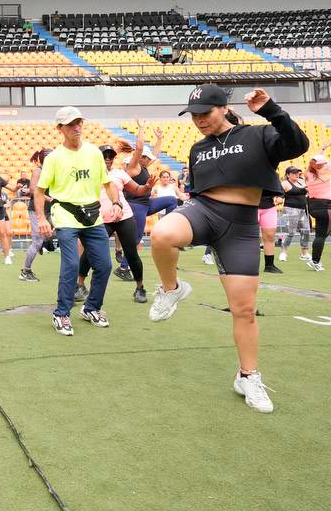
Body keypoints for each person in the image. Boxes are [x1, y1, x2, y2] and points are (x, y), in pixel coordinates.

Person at [146, 85, 309, 414]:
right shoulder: (197, 148)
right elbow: (196, 191)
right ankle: (171, 289)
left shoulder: (257, 135)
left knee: (244, 310)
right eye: (194, 115)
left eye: (205, 113)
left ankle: (248, 376)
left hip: (242, 226)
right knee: (161, 233)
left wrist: (271, 110)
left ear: (223, 108)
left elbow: (297, 144)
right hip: (204, 211)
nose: (199, 120)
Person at [34, 106, 124, 336]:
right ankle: (61, 313)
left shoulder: (93, 152)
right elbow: (39, 191)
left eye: (79, 122)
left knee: (104, 265)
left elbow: (107, 183)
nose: (77, 127)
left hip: (92, 216)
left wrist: (116, 203)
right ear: (60, 128)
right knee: (72, 265)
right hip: (65, 214)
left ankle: (92, 308)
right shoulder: (54, 158)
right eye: (71, 124)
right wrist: (42, 218)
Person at [92, 144, 155, 304]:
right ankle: (79, 286)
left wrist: (147, 186)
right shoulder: (90, 174)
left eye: (110, 156)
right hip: (101, 219)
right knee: (90, 252)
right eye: (104, 156)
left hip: (124, 217)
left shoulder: (119, 173)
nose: (108, 159)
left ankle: (140, 288)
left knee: (132, 253)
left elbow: (138, 190)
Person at [304, 138, 331, 271]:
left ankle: (315, 261)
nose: (325, 164)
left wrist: (322, 149)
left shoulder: (308, 174)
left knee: (319, 235)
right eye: (323, 163)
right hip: (326, 206)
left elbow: (313, 163)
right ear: (321, 165)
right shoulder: (325, 173)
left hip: (313, 206)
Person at [18, 149, 50, 283]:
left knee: (64, 232)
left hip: (50, 209)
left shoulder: (54, 170)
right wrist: (49, 198)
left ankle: (44, 242)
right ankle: (25, 271)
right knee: (37, 240)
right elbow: (33, 189)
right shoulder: (38, 170)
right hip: (37, 209)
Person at [278, 167, 311, 262]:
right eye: (294, 173)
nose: (297, 174)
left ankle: (304, 253)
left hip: (302, 210)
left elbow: (308, 191)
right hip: (290, 210)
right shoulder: (285, 183)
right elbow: (280, 195)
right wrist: (279, 199)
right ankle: (283, 253)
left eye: (297, 172)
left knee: (306, 231)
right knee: (290, 232)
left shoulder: (302, 182)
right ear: (288, 175)